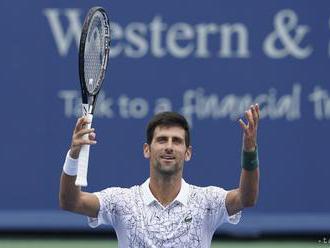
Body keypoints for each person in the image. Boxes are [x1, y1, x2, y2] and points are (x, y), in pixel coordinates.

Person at [60, 104, 260, 247]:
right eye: (162, 140)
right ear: (147, 149)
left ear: (187, 152)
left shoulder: (208, 201)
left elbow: (246, 198)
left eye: (177, 141)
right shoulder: (121, 201)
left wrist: (250, 152)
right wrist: (74, 154)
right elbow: (71, 202)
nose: (169, 147)